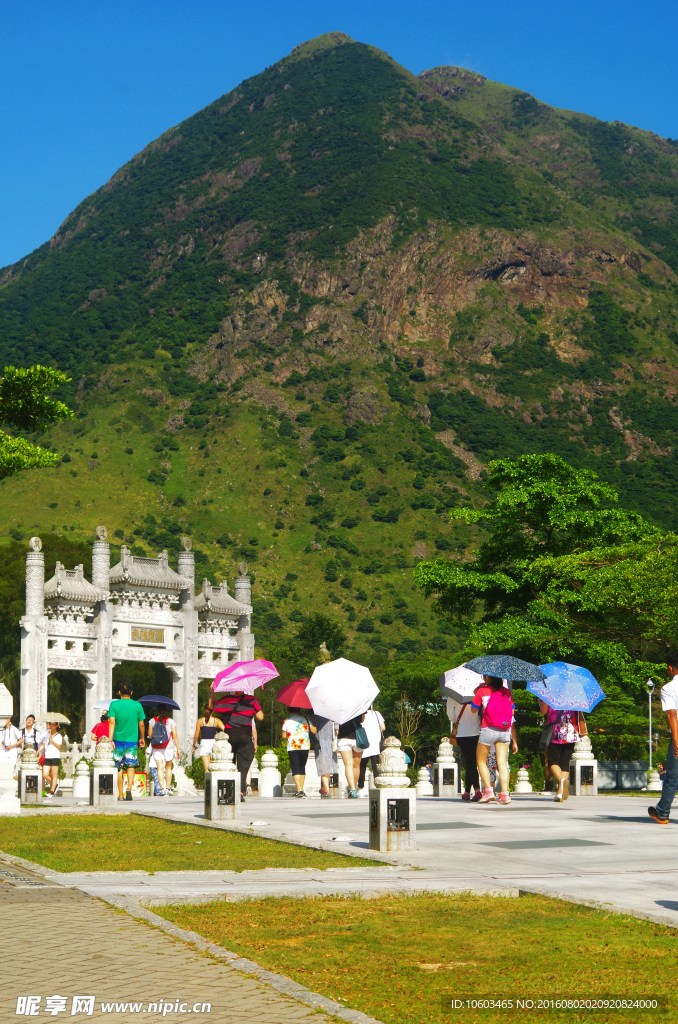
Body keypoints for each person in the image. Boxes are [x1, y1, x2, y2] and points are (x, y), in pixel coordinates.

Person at [471, 675, 518, 805]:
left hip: (488, 729)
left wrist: (478, 695)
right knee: (502, 763)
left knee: (480, 760)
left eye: (484, 676)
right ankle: (504, 794)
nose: (483, 678)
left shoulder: (483, 690)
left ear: (488, 677)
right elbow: (512, 712)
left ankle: (488, 791)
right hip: (504, 730)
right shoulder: (507, 692)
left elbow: (473, 709)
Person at [210, 689, 264, 801]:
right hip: (245, 735)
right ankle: (239, 792)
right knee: (243, 766)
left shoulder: (227, 700)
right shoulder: (252, 700)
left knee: (229, 764)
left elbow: (211, 707)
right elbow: (260, 717)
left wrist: (213, 692)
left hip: (230, 735)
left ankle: (230, 791)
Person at [649, 652, 678, 824]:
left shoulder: (668, 688)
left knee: (672, 776)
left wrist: (676, 739)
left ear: (670, 668)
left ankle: (662, 812)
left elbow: (672, 714)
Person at [538, 701, 586, 802]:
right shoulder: (574, 695)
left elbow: (543, 711)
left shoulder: (550, 694)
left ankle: (561, 780)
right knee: (565, 763)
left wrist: (542, 701)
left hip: (556, 732)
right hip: (572, 733)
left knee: (552, 762)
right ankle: (560, 793)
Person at [108, 681, 145, 801]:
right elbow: (142, 724)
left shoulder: (114, 705)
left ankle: (120, 794)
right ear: (131, 692)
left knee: (119, 767)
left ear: (119, 692)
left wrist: (110, 739)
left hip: (118, 740)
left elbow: (112, 722)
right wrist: (142, 738)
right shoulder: (137, 705)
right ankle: (129, 787)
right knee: (131, 765)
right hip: (132, 740)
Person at [447, 692, 482, 801]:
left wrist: (458, 719)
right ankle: (467, 791)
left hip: (462, 732)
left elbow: (450, 715)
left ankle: (477, 790)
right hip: (477, 731)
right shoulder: (478, 692)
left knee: (469, 762)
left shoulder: (453, 694)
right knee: (471, 762)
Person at [281, 706, 317, 797]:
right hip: (305, 746)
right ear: (299, 710)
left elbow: (283, 736)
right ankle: (301, 789)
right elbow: (314, 730)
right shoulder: (305, 718)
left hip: (293, 746)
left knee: (295, 767)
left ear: (289, 710)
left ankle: (299, 789)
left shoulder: (287, 720)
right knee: (302, 767)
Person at [148, 704, 180, 797]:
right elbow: (175, 736)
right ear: (166, 711)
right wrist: (178, 748)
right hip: (168, 747)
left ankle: (162, 789)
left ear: (157, 711)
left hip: (156, 747)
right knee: (168, 768)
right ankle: (168, 789)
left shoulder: (152, 721)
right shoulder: (170, 721)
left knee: (159, 768)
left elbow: (150, 735)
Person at [337, 713, 366, 798]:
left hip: (343, 737)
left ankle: (352, 789)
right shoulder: (360, 704)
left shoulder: (340, 706)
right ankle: (353, 789)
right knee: (356, 766)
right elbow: (362, 720)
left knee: (348, 764)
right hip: (357, 737)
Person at [357, 706, 385, 795]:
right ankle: (378, 786)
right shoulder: (377, 714)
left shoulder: (360, 714)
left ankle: (360, 787)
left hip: (364, 742)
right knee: (376, 766)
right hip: (375, 744)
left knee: (362, 766)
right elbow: (383, 727)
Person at [192, 706, 225, 771]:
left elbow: (196, 735)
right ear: (213, 711)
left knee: (207, 770)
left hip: (204, 743)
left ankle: (208, 781)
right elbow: (225, 729)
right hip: (214, 743)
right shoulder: (216, 720)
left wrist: (193, 744)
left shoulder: (200, 721)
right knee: (214, 768)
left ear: (204, 710)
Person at [312, 713, 336, 798]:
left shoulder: (315, 716)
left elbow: (313, 730)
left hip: (320, 742)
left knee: (322, 765)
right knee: (327, 765)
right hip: (329, 742)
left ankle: (326, 788)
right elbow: (336, 729)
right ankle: (324, 787)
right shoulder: (331, 715)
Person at [37, 721, 62, 797]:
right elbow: (43, 744)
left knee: (53, 774)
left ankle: (52, 791)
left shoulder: (58, 736)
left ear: (56, 726)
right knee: (45, 774)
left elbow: (59, 747)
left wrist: (52, 741)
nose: (51, 726)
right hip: (47, 756)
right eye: (50, 724)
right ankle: (55, 784)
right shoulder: (47, 734)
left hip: (55, 756)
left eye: (53, 725)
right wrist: (37, 751)